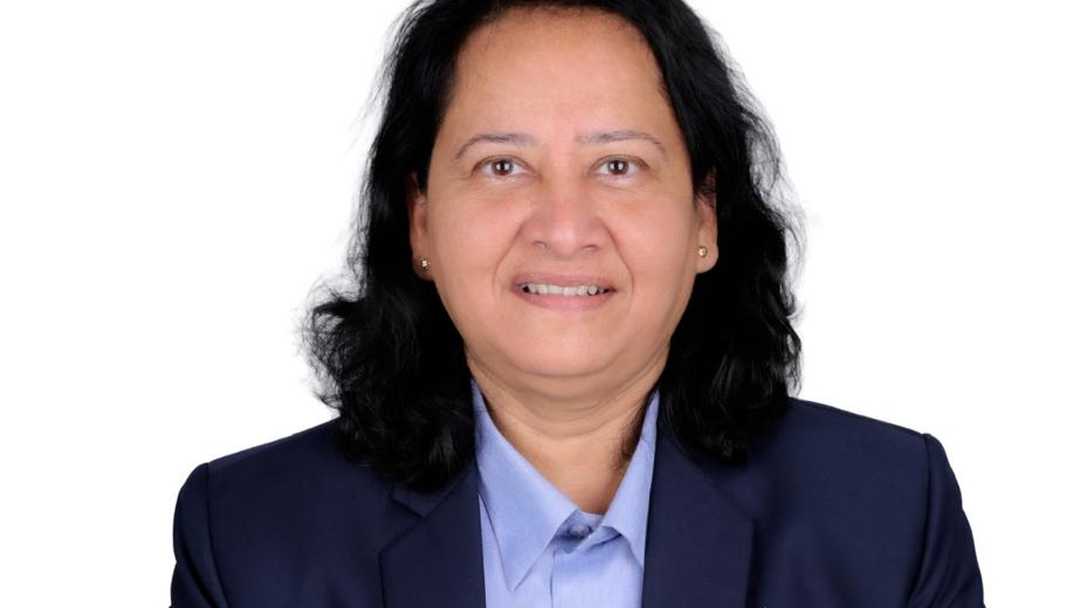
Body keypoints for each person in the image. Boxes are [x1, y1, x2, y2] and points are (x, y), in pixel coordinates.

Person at [169, 1, 985, 606]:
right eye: (502, 166)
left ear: (705, 218)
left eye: (618, 166)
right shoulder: (248, 538)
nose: (563, 229)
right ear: (420, 221)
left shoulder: (889, 521)